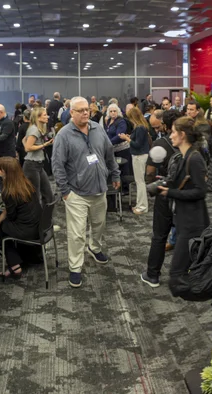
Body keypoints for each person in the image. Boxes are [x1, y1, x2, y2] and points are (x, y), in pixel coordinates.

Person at [50, 97, 120, 288]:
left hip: (99, 189)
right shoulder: (64, 135)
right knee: (77, 233)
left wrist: (115, 174)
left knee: (99, 224)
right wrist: (65, 192)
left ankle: (94, 248)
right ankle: (75, 267)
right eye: (80, 110)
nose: (85, 113)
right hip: (76, 193)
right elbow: (57, 165)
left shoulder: (98, 129)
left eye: (87, 110)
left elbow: (109, 153)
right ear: (71, 112)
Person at [156, 116, 210, 296]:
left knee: (177, 274)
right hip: (185, 219)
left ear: (182, 135)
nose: (170, 136)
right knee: (181, 271)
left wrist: (170, 192)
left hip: (192, 222)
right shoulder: (186, 157)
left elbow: (200, 191)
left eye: (173, 132)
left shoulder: (194, 158)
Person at [141, 109, 181, 287]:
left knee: (159, 236)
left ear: (164, 124)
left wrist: (153, 185)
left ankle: (153, 275)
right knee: (185, 236)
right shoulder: (191, 142)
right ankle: (182, 275)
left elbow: (149, 173)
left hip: (165, 195)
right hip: (187, 197)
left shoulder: (160, 144)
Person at [0, 157, 42, 278]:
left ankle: (14, 266)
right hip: (38, 226)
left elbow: (12, 216)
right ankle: (18, 258)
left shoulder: (9, 192)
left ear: (6, 172)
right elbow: (11, 210)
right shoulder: (25, 183)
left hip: (27, 230)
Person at [22, 107, 54, 205]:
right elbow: (28, 148)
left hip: (38, 165)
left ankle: (45, 217)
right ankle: (36, 217)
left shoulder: (37, 129)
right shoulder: (34, 130)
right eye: (44, 115)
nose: (47, 117)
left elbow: (24, 140)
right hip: (32, 165)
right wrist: (44, 145)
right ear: (38, 117)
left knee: (48, 194)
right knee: (34, 196)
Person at [126, 106, 153, 215]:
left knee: (140, 182)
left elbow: (137, 145)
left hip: (139, 156)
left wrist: (127, 139)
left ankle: (142, 207)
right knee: (139, 181)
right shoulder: (140, 127)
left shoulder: (140, 128)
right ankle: (139, 205)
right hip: (139, 155)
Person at [105, 103, 133, 181]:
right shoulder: (109, 121)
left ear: (118, 112)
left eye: (114, 111)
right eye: (111, 111)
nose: (113, 113)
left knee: (124, 170)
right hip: (113, 149)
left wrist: (108, 143)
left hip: (122, 149)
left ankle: (125, 189)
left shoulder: (121, 121)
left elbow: (119, 136)